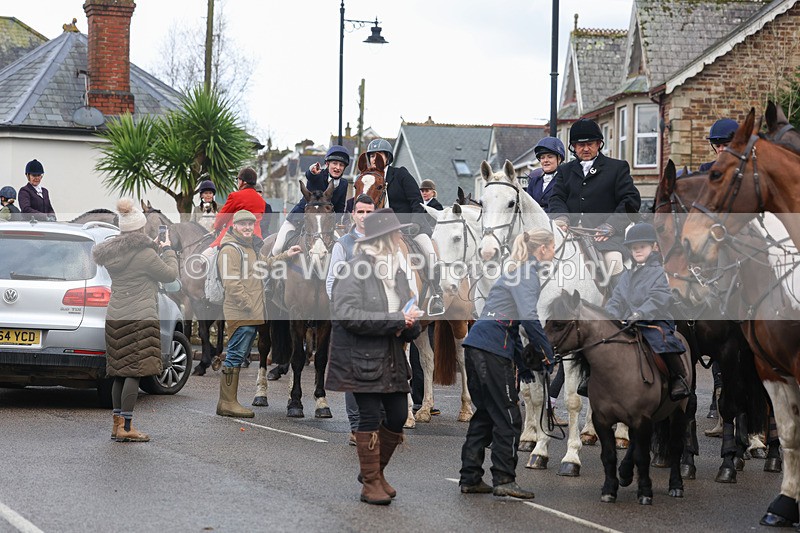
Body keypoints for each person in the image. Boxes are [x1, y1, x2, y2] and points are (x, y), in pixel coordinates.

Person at [327, 208, 424, 505]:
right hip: (360, 357)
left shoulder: (396, 271)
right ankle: (370, 482)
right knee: (369, 417)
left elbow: (407, 314)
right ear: (383, 239)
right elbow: (346, 314)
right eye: (395, 235)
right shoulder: (354, 269)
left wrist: (410, 324)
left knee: (396, 416)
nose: (399, 239)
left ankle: (375, 472)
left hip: (391, 356)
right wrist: (397, 320)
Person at [459, 228, 555, 498]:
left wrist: (522, 367)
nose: (554, 251)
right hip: (492, 350)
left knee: (486, 414)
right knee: (509, 417)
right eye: (553, 247)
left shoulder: (514, 273)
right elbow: (528, 319)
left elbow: (506, 322)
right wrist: (547, 352)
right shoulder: (528, 275)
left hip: (476, 345)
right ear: (543, 249)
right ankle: (504, 479)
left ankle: (470, 478)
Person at [92, 198, 178, 442]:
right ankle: (126, 427)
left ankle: (117, 425)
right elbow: (170, 274)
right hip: (139, 319)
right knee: (134, 372)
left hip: (116, 317)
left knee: (120, 372)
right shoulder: (146, 255)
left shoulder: (112, 254)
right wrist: (169, 250)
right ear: (140, 229)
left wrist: (153, 249)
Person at [548, 119, 641, 290]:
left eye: (590, 144)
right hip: (571, 233)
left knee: (613, 261)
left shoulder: (617, 168)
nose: (585, 149)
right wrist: (561, 218)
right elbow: (557, 198)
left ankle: (621, 308)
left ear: (599, 144)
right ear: (573, 147)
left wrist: (611, 226)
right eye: (579, 145)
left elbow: (630, 201)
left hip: (605, 237)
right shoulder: (565, 170)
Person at [603, 223, 690, 401]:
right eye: (634, 248)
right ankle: (591, 378)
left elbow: (659, 298)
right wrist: (609, 314)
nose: (638, 251)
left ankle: (678, 378)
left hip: (655, 320)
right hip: (629, 322)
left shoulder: (661, 272)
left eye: (642, 247)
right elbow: (616, 298)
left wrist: (641, 314)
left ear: (654, 247)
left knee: (661, 341)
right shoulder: (626, 275)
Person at [365, 138, 445, 316]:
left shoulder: (400, 174)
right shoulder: (369, 180)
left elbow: (416, 201)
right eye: (371, 156)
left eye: (378, 155)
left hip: (411, 228)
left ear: (387, 157)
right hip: (383, 232)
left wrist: (414, 224)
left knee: (429, 254)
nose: (373, 159)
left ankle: (437, 294)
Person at [325, 194, 375, 445]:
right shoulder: (342, 244)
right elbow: (332, 282)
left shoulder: (384, 242)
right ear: (353, 215)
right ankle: (356, 427)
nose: (365, 217)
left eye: (369, 212)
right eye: (361, 212)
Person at [214, 210, 268, 418]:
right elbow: (231, 284)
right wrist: (248, 304)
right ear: (234, 226)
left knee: (237, 354)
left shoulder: (249, 248)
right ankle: (227, 402)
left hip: (249, 312)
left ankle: (228, 401)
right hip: (242, 312)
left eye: (250, 224)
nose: (247, 228)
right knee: (235, 355)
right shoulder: (231, 250)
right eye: (243, 224)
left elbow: (264, 264)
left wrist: (287, 256)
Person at [271, 145, 350, 255]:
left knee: (342, 247)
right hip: (298, 219)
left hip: (323, 225)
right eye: (334, 163)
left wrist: (331, 223)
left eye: (341, 165)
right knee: (277, 249)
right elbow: (310, 176)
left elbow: (340, 208)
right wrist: (311, 171)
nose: (337, 167)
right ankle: (271, 269)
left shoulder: (344, 184)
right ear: (327, 164)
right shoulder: (317, 175)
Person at [209, 168, 266, 248]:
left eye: (238, 180)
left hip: (234, 236)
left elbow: (222, 217)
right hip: (255, 239)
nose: (238, 183)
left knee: (207, 255)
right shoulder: (261, 201)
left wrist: (217, 227)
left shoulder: (235, 196)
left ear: (244, 182)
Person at [525, 137, 565, 211]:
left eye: (550, 157)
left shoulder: (565, 180)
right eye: (542, 158)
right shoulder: (534, 181)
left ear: (559, 159)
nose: (545, 160)